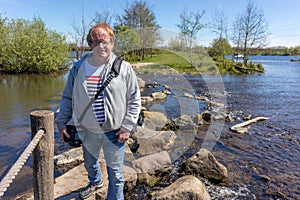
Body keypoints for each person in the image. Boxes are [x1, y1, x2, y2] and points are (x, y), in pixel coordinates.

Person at [55, 22, 141, 200]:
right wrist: (61, 122)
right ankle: (95, 182)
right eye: (95, 42)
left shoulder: (123, 68)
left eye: (105, 42)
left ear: (112, 42)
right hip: (87, 130)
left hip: (114, 131)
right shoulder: (78, 68)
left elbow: (134, 98)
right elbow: (68, 98)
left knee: (116, 175)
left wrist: (127, 126)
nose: (101, 46)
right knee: (89, 162)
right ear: (89, 44)